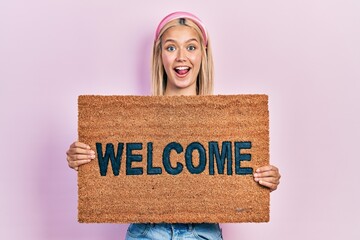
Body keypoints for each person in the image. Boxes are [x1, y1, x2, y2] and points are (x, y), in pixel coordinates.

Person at [66, 11, 281, 240]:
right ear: (160, 55)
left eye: (191, 47)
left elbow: (236, 173)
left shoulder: (227, 121)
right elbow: (112, 166)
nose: (181, 56)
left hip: (203, 233)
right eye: (171, 47)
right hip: (146, 232)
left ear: (203, 54)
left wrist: (264, 179)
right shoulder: (132, 119)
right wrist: (80, 157)